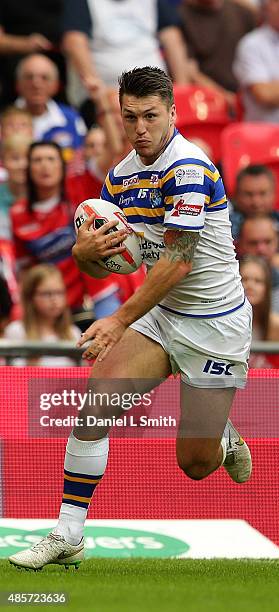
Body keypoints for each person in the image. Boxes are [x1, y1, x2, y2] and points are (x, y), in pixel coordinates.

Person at [9, 66, 252, 570]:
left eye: (150, 116)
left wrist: (117, 320)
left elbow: (177, 260)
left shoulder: (191, 167)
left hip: (214, 323)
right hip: (162, 315)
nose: (140, 128)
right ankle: (68, 532)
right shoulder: (120, 176)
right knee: (97, 398)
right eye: (130, 117)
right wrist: (83, 252)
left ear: (172, 113)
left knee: (196, 464)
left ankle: (221, 436)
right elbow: (120, 258)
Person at [4, 264, 81, 366]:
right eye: (47, 294)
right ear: (31, 297)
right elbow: (11, 375)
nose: (54, 300)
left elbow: (81, 374)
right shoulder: (16, 330)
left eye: (59, 292)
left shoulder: (73, 332)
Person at [15, 54, 86, 164]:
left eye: (44, 77)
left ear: (56, 85)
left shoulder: (71, 118)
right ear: (18, 84)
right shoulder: (4, 120)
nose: (36, 84)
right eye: (29, 77)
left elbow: (82, 159)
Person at [179, 0, 255, 102]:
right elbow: (190, 71)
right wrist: (223, 95)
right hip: (206, 99)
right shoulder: (181, 17)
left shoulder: (243, 12)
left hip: (247, 94)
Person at [233, 0, 279, 122]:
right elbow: (264, 94)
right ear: (267, 7)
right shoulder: (252, 44)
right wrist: (271, 90)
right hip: (264, 134)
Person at [239, 255, 279, 367]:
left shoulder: (276, 325)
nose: (250, 285)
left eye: (258, 281)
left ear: (267, 288)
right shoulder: (223, 323)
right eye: (244, 279)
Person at [237, 215, 279, 311]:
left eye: (267, 242)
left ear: (276, 242)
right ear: (240, 244)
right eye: (253, 243)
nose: (261, 249)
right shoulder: (227, 280)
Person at [229, 164, 279, 240]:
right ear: (236, 195)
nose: (256, 202)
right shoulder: (224, 227)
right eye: (249, 194)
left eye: (262, 193)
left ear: (273, 194)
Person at [0, 134, 31, 240]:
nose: (22, 165)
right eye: (15, 158)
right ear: (3, 162)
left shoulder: (46, 193)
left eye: (28, 158)